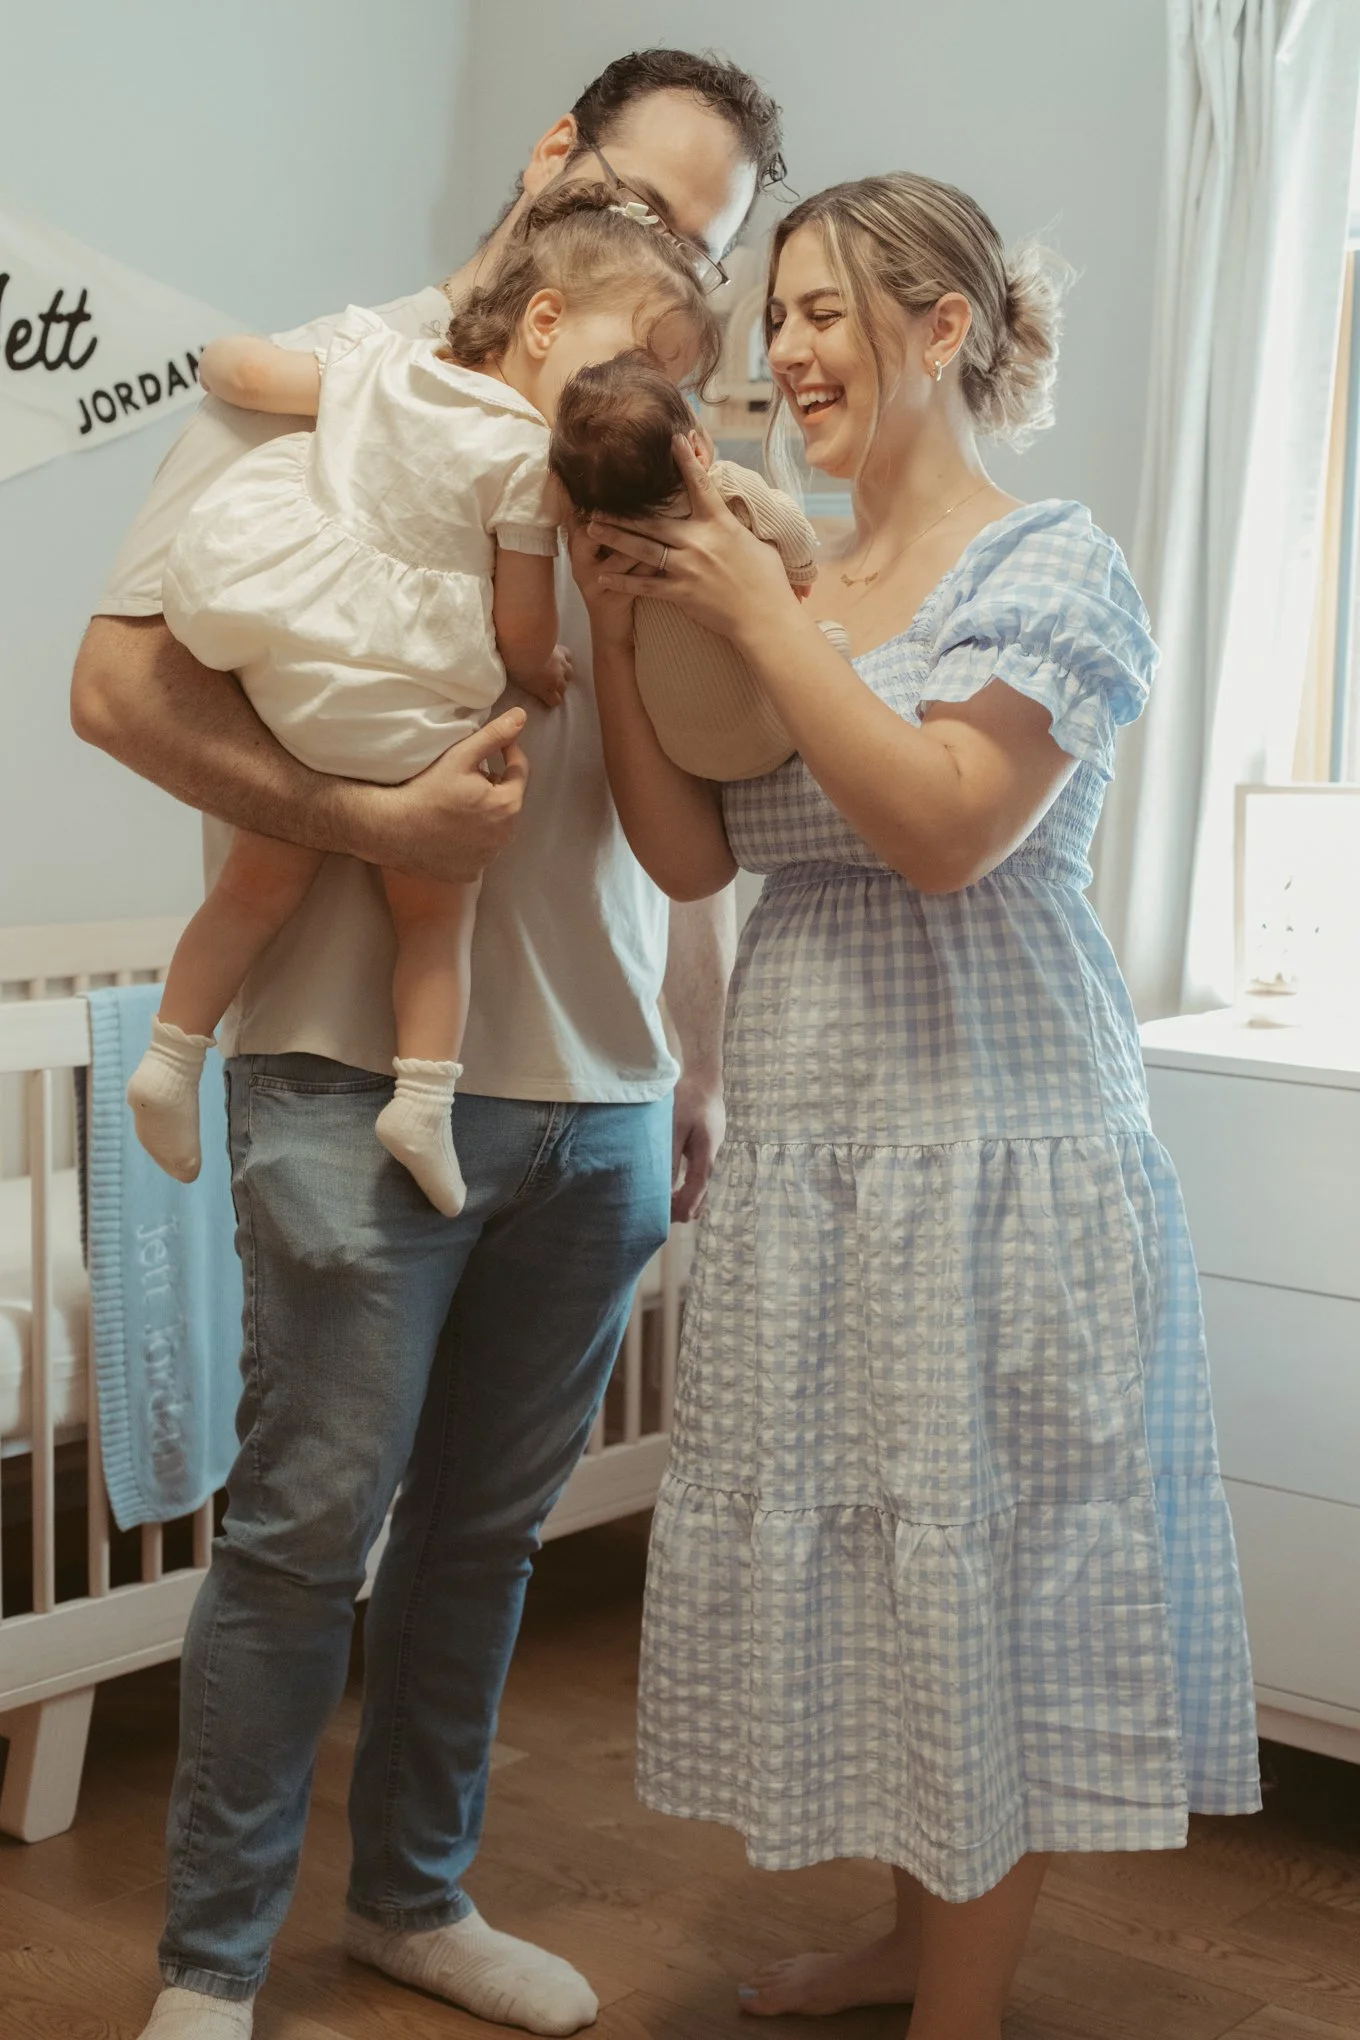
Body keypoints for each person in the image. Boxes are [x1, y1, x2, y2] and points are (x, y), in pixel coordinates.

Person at [70, 48, 784, 2040]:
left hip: (601, 1092)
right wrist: (378, 832)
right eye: (641, 206)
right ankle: (210, 1962)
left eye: (703, 243)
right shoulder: (330, 374)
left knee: (482, 1539)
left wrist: (697, 1068)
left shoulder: (661, 422)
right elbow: (113, 691)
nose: (666, 257)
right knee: (304, 1532)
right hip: (333, 1061)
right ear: (554, 162)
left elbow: (696, 787)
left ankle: (414, 1896)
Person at [571, 171, 1261, 2040]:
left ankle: (961, 2007)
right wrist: (625, 617)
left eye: (824, 310)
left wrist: (755, 599)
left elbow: (947, 828)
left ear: (945, 328)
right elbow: (690, 851)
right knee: (882, 1549)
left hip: (995, 1138)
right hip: (818, 1132)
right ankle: (909, 1939)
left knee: (985, 1559)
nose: (785, 352)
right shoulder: (790, 571)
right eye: (773, 316)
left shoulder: (1055, 562)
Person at [129, 190, 718, 1218]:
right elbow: (519, 626)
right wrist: (541, 676)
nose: (642, 404)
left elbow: (244, 370)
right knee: (437, 910)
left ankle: (170, 1058)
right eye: (634, 367)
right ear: (542, 322)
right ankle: (421, 1102)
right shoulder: (530, 467)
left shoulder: (380, 365)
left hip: (299, 689)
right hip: (406, 728)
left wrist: (223, 364)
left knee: (253, 889)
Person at [547, 348, 851, 780]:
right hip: (775, 729)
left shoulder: (603, 544)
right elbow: (792, 528)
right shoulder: (727, 487)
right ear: (696, 449)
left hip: (684, 754)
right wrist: (801, 572)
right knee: (831, 637)